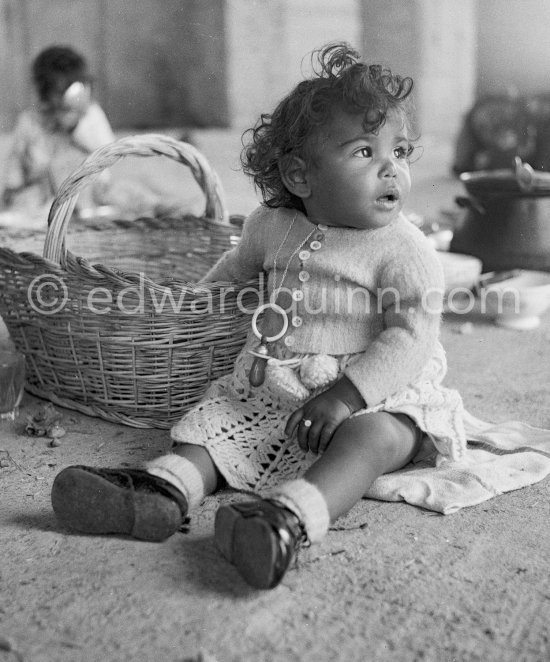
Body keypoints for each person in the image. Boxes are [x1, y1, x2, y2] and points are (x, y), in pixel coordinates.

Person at [51, 42, 468, 589]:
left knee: (375, 440)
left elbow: (411, 338)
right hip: (275, 382)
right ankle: (164, 491)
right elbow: (235, 268)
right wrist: (191, 304)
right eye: (365, 152)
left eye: (401, 151)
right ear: (299, 176)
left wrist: (347, 396)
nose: (392, 168)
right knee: (213, 422)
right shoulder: (271, 224)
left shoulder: (404, 250)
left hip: (377, 390)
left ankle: (287, 520)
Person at [1, 45, 115, 214]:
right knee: (22, 203)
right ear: (44, 93)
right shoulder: (30, 120)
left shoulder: (90, 114)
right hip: (44, 193)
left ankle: (82, 211)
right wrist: (12, 186)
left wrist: (75, 127)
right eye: (60, 91)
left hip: (85, 190)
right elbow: (16, 159)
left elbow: (109, 150)